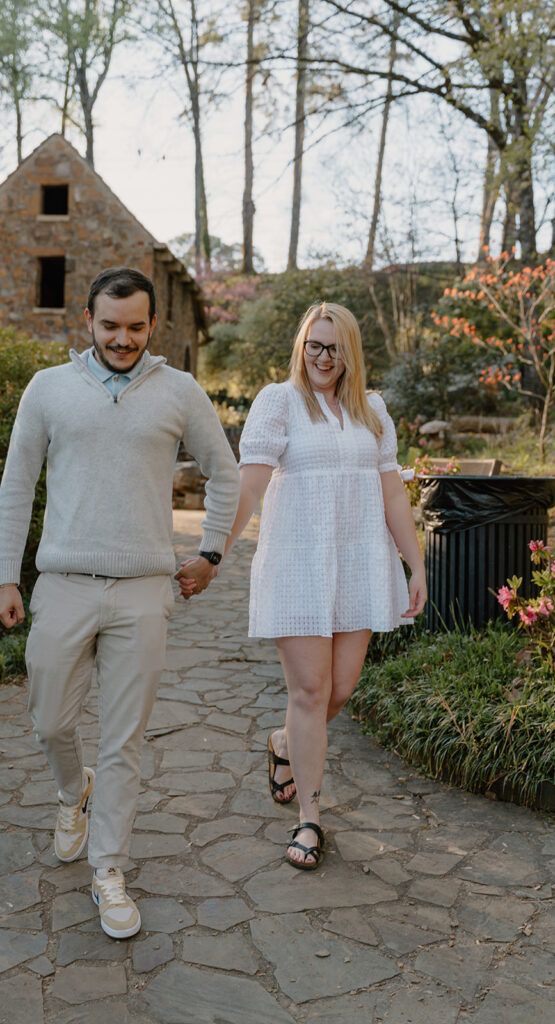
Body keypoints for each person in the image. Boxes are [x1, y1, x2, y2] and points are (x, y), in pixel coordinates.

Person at [0, 267, 239, 936]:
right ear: (88, 322)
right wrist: (5, 578)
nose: (122, 338)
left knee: (124, 739)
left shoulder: (179, 391)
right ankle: (76, 790)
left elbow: (226, 473)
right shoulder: (49, 389)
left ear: (151, 324)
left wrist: (211, 553)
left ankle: (109, 871)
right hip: (63, 585)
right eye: (110, 326)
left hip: (141, 591)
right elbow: (17, 486)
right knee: (50, 722)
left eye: (135, 327)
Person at [180, 301, 425, 870]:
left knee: (340, 690)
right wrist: (213, 554)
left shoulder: (373, 412)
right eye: (314, 344)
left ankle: (286, 743)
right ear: (301, 347)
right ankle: (310, 819)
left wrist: (416, 564)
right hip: (298, 565)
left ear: (351, 354)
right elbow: (250, 486)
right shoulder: (280, 403)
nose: (323, 356)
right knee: (310, 694)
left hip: (360, 565)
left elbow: (392, 494)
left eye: (334, 347)